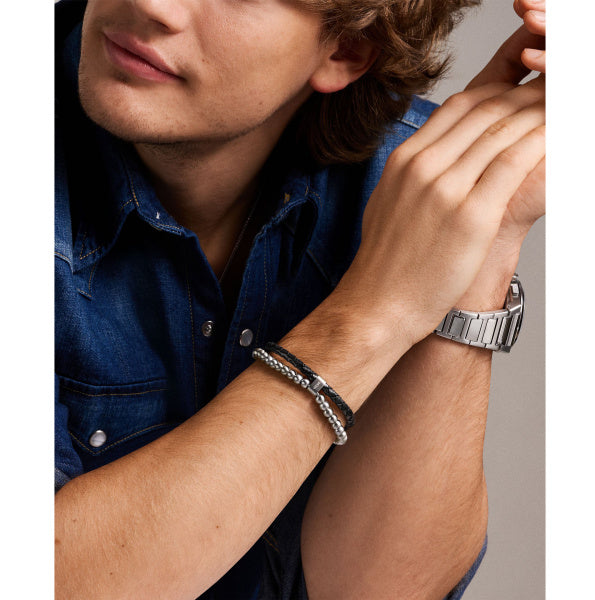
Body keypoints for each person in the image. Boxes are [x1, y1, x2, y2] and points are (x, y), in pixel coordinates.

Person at [54, 0, 546, 598]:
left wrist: (487, 224)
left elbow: (375, 591)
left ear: (345, 49)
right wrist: (368, 318)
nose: (149, 4)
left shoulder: (410, 184)